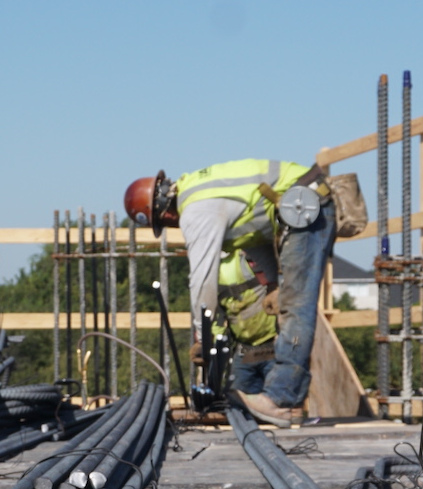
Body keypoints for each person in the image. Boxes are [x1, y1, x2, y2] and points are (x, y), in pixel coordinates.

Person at [124, 159, 337, 426]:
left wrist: (202, 335)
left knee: (297, 304)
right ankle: (288, 405)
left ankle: (280, 398)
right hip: (298, 201)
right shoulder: (200, 191)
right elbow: (256, 235)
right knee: (294, 303)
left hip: (304, 204)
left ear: (164, 215)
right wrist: (272, 284)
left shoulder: (195, 211)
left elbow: (202, 279)